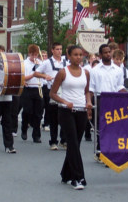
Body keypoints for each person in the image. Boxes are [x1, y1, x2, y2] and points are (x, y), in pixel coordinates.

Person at [50, 45, 92, 190]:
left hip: (81, 111)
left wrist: (88, 102)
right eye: (75, 54)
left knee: (76, 144)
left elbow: (87, 91)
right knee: (72, 143)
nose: (79, 57)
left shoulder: (86, 73)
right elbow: (53, 93)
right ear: (68, 56)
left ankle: (65, 174)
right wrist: (65, 102)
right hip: (66, 111)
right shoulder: (63, 72)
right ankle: (78, 177)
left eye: (81, 55)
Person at [89, 44, 126, 163]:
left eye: (109, 52)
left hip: (114, 99)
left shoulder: (118, 70)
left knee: (114, 125)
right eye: (105, 52)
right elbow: (91, 88)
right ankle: (101, 151)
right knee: (101, 126)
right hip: (100, 98)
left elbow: (120, 86)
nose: (108, 54)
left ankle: (111, 151)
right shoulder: (95, 70)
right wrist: (88, 103)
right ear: (100, 55)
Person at [34, 42, 67, 150]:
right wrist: (45, 76)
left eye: (60, 49)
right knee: (53, 118)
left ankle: (64, 140)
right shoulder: (47, 62)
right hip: (52, 90)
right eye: (57, 49)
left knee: (65, 117)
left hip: (65, 92)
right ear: (52, 50)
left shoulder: (66, 62)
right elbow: (36, 72)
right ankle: (53, 141)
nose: (59, 51)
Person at [21, 44, 44, 143]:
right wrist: (33, 74)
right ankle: (24, 128)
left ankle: (36, 135)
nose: (35, 57)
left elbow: (44, 75)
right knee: (27, 111)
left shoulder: (40, 63)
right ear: (29, 53)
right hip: (28, 88)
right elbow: (23, 78)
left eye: (36, 54)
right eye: (33, 54)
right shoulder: (24, 63)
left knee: (38, 113)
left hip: (38, 88)